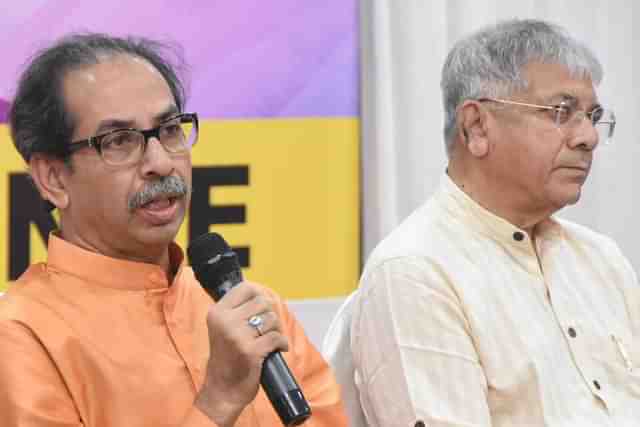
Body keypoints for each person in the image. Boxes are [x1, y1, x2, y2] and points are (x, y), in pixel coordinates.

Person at [0, 33, 348, 427]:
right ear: (54, 179)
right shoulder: (22, 335)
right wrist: (217, 403)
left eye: (169, 130)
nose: (161, 163)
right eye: (119, 141)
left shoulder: (250, 310)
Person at [348, 19, 639, 426]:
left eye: (592, 116)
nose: (588, 136)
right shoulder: (415, 273)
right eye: (562, 112)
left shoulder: (600, 258)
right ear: (477, 127)